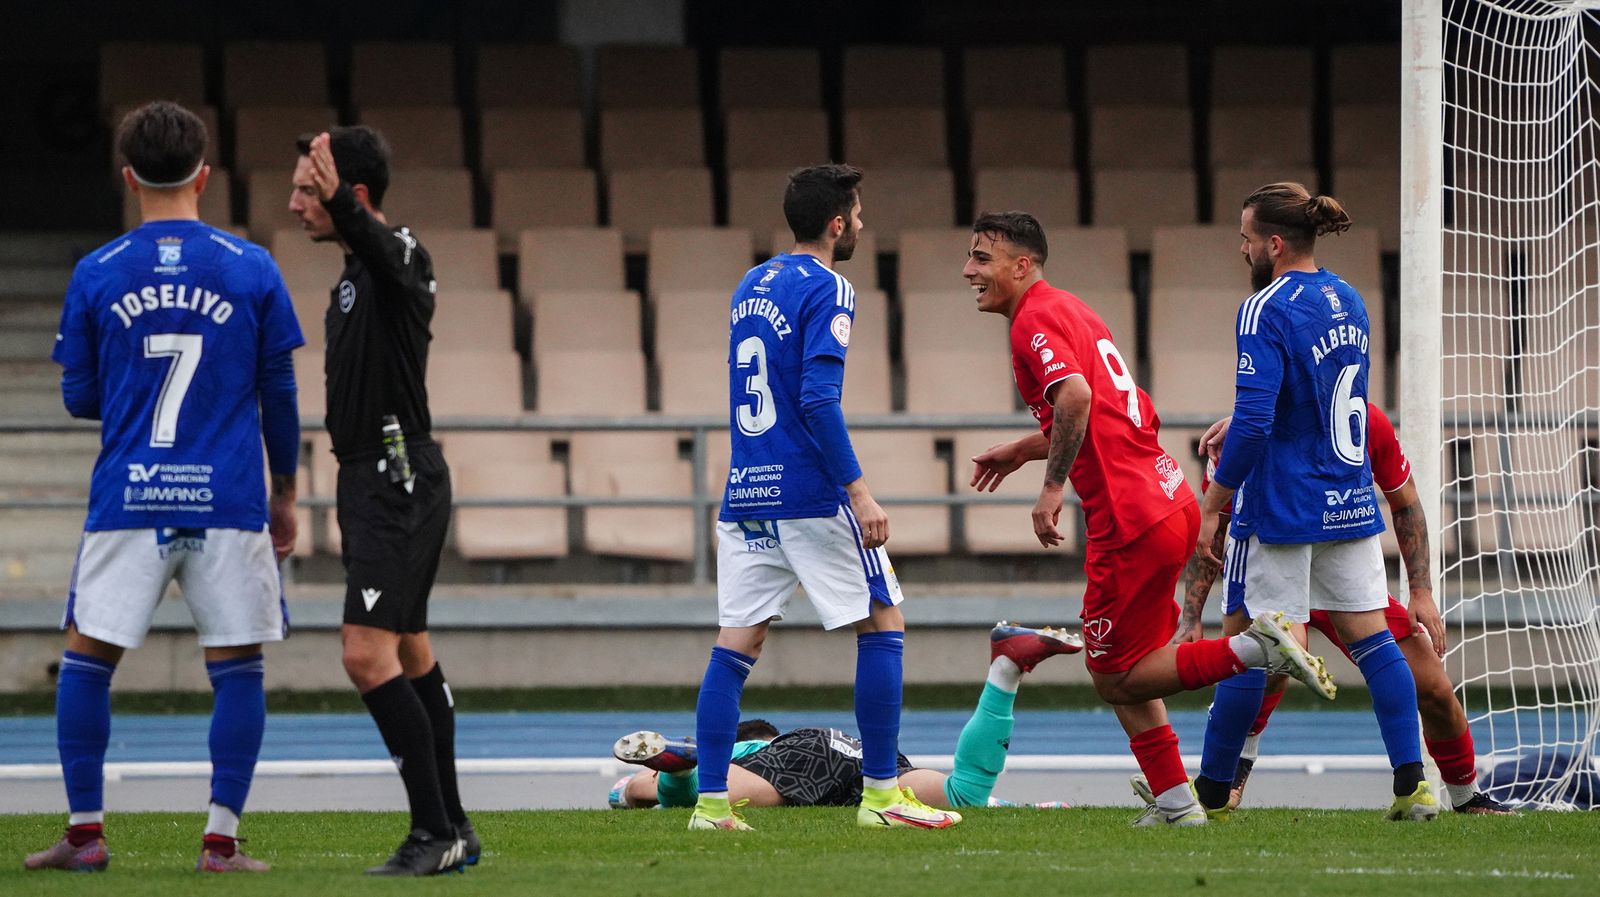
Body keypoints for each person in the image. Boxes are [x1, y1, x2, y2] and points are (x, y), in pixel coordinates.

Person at [963, 210, 1335, 827]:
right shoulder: (1072, 308)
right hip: (1168, 496)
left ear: (1021, 265)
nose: (968, 270)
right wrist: (1025, 450)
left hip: (1129, 518)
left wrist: (1051, 488)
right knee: (1131, 664)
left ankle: (1255, 647)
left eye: (981, 258)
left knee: (1114, 676)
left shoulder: (1032, 320)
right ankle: (1176, 803)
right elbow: (1104, 411)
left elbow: (1076, 397)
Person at [27, 100, 301, 874]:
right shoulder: (251, 266)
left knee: (87, 658)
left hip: (131, 494)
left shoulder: (98, 270)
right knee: (237, 665)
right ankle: (220, 842)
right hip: (228, 495)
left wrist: (132, 396)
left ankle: (85, 834)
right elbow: (279, 393)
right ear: (203, 176)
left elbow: (78, 394)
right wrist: (285, 491)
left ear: (128, 177)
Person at [694, 164, 957, 832]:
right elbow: (816, 398)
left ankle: (710, 805)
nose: (862, 223)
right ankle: (881, 797)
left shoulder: (750, 283)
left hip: (747, 489)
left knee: (735, 644)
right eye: (859, 214)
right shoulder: (830, 286)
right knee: (884, 625)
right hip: (808, 490)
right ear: (838, 223)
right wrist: (859, 492)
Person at [1192, 182, 1435, 821]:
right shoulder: (1349, 298)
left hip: (1283, 504)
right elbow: (1318, 396)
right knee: (1374, 642)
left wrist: (1213, 504)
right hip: (1348, 499)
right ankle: (1414, 785)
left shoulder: (1263, 308)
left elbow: (1254, 422)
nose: (1241, 249)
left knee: (1251, 643)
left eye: (1246, 239)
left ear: (1273, 244)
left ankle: (1210, 795)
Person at [287, 127, 474, 874]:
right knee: (409, 648)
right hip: (376, 479)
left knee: (365, 654)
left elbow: (377, 243)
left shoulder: (401, 254)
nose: (294, 203)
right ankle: (455, 825)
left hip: (395, 480)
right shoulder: (353, 276)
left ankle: (432, 831)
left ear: (353, 195)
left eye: (308, 189)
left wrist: (344, 205)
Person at [1176, 405, 1515, 815]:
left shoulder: (1363, 420)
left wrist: (1421, 591)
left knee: (1432, 684)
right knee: (1268, 663)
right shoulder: (1247, 431)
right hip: (1279, 571)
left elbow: (1405, 501)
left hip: (1342, 573)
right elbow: (1216, 526)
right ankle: (1227, 778)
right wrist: (1191, 613)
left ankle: (1466, 797)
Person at [612, 624, 1080, 812]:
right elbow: (986, 803)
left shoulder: (750, 751)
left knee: (695, 793)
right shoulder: (776, 742)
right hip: (856, 753)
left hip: (798, 756)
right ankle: (1006, 669)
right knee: (965, 796)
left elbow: (631, 790)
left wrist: (624, 793)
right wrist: (1025, 809)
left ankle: (684, 764)